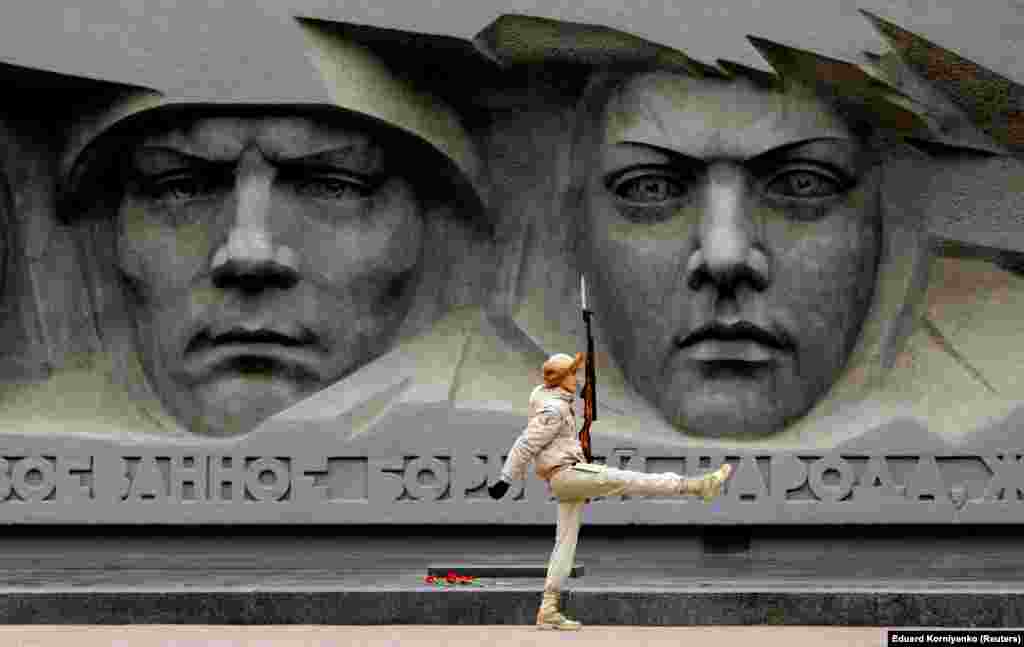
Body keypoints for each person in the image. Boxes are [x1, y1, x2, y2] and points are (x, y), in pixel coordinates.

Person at [488, 351, 733, 630]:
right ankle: (696, 486)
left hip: (566, 476)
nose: (577, 378)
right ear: (560, 379)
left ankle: (548, 609)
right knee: (628, 479)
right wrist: (504, 480)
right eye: (572, 374)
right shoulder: (553, 411)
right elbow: (525, 445)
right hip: (568, 475)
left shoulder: (556, 401)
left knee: (564, 544)